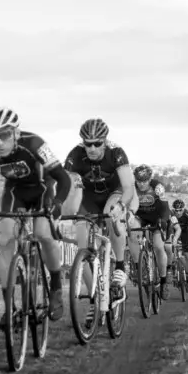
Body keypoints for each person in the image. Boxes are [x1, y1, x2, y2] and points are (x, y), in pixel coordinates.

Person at [0, 106, 72, 330]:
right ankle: (10, 309)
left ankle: (56, 286)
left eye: (5, 135)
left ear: (16, 133)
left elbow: (63, 179)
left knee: (43, 234)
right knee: (6, 237)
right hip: (14, 192)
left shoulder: (35, 143)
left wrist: (57, 204)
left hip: (42, 189)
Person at [62, 118, 135, 303]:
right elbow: (66, 188)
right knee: (82, 247)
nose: (92, 148)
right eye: (88, 144)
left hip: (114, 193)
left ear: (105, 141)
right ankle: (96, 299)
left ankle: (119, 266)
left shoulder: (116, 153)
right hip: (88, 198)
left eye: (97, 144)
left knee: (111, 214)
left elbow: (128, 187)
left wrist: (121, 206)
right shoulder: (75, 155)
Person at [127, 165, 171, 299]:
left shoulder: (157, 187)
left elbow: (165, 207)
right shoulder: (132, 187)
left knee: (158, 246)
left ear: (149, 179)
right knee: (132, 231)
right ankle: (138, 268)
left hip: (157, 218)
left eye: (144, 181)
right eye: (139, 181)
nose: (141, 184)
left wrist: (163, 220)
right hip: (140, 217)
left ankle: (163, 282)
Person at [172, 198, 188, 292]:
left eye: (180, 210)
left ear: (183, 209)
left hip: (186, 234)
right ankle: (173, 270)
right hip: (174, 233)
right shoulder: (171, 214)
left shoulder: (187, 215)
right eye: (176, 210)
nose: (178, 212)